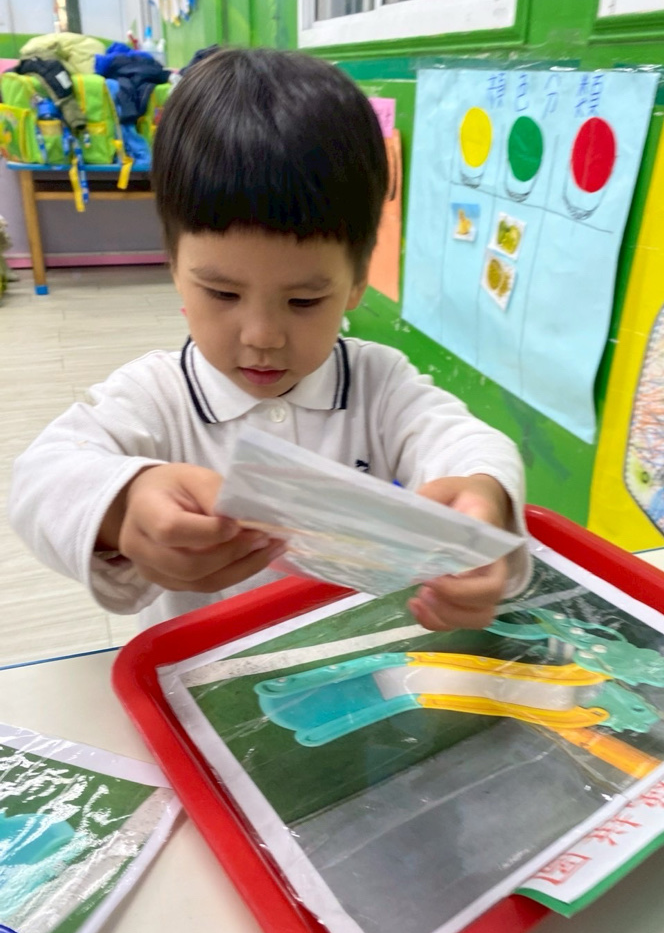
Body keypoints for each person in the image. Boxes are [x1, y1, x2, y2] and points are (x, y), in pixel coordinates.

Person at [8, 48, 530, 633]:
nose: (262, 337)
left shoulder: (380, 386)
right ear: (174, 267)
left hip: (349, 658)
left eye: (304, 301)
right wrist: (124, 504)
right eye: (222, 293)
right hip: (196, 665)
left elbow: (467, 443)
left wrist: (481, 500)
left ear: (357, 281)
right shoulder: (156, 397)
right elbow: (40, 478)